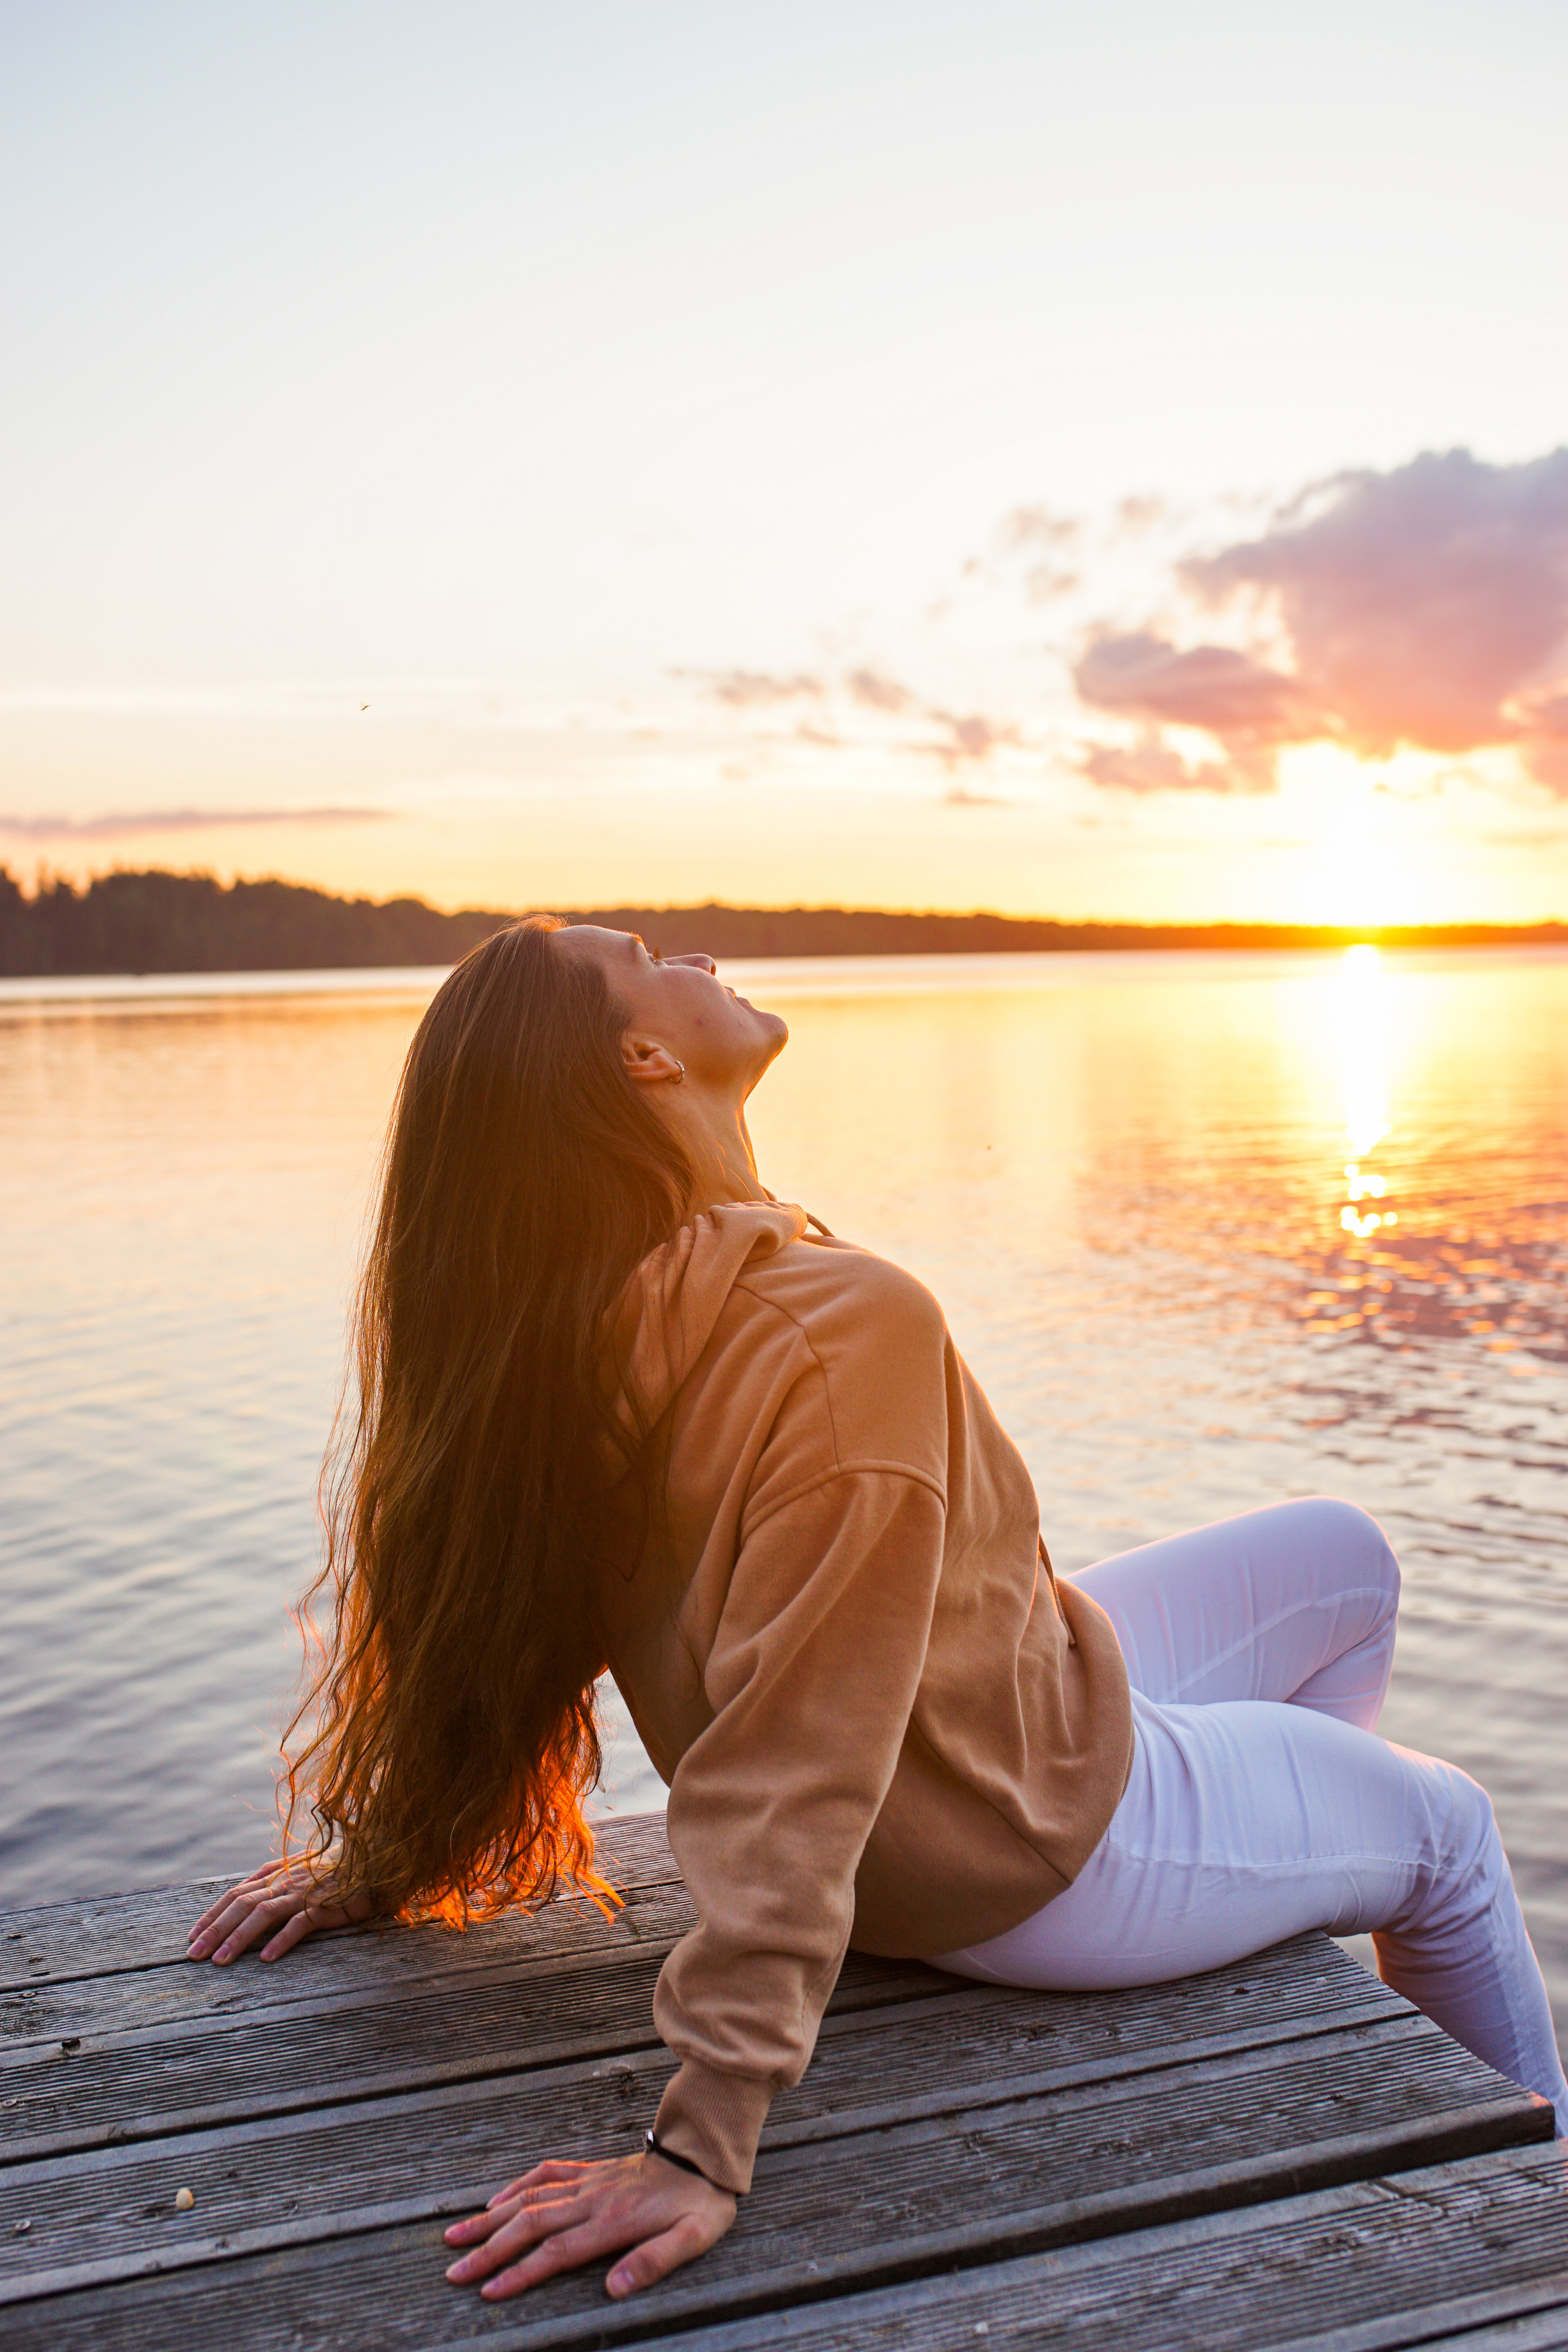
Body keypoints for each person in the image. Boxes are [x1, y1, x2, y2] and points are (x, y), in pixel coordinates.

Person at [188, 916, 1567, 2307]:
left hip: (992, 1724)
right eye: (648, 954)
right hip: (1027, 1844)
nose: (694, 951)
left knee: (1344, 1563)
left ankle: (1281, 1951)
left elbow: (514, 1634)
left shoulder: (608, 1315)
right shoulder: (838, 1326)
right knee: (1444, 1832)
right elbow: (800, 1746)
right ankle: (1533, 2218)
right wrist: (702, 2140)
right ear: (647, 1057)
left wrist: (391, 1856)